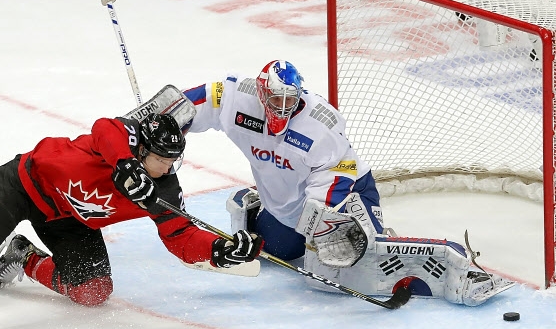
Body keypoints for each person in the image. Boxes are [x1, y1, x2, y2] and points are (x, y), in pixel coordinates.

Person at [176, 59, 515, 306]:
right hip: (286, 211)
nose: (281, 107)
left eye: (288, 100)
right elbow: (199, 99)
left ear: (299, 95)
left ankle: (452, 264)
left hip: (344, 198)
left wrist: (321, 226)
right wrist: (160, 124)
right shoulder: (238, 97)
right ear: (262, 94)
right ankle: (271, 216)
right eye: (275, 100)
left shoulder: (320, 123)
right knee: (276, 251)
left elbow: (338, 175)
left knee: (339, 277)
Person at [0, 112, 263, 306]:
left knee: (93, 291)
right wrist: (125, 164)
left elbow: (182, 237)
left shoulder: (162, 190)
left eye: (173, 161)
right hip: (24, 185)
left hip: (70, 221)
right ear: (141, 149)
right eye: (160, 159)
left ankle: (23, 256)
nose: (166, 168)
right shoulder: (122, 142)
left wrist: (219, 250)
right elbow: (104, 127)